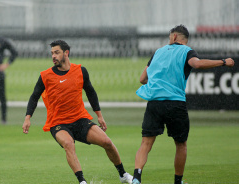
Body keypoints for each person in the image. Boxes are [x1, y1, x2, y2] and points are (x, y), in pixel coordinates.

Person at [132, 25, 235, 184]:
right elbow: (197, 64)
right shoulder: (187, 51)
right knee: (181, 144)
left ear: (173, 37)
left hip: (154, 104)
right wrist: (223, 62)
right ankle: (178, 181)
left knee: (146, 143)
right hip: (175, 103)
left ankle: (136, 178)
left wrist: (159, 81)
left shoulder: (158, 52)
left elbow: (142, 78)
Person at [22, 40, 133, 184]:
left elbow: (91, 92)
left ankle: (123, 174)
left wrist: (99, 116)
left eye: (57, 52)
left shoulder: (80, 71)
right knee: (68, 144)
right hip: (58, 123)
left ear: (66, 53)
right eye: (52, 53)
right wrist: (27, 118)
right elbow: (34, 97)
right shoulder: (45, 75)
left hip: (80, 119)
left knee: (107, 142)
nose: (53, 56)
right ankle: (82, 181)